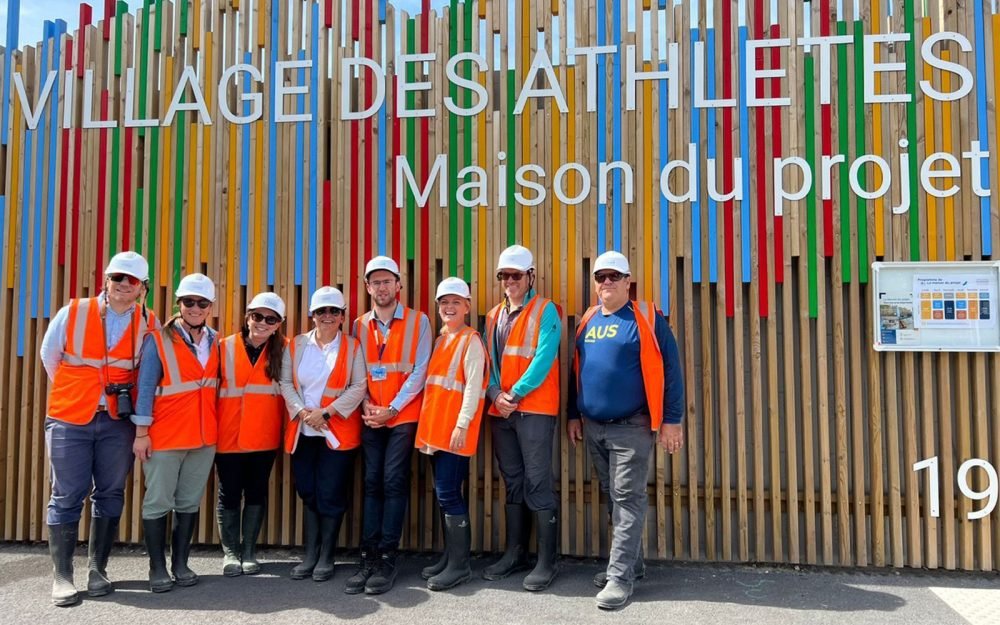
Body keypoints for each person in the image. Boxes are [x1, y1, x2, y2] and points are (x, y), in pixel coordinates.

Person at [566, 251, 685, 610]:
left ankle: (619, 578)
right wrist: (574, 413)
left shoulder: (646, 317)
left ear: (627, 282)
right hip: (594, 427)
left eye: (613, 277)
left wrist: (672, 420)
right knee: (614, 498)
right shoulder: (588, 319)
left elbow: (672, 370)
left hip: (632, 428)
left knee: (627, 500)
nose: (606, 282)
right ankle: (632, 564)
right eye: (600, 276)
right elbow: (577, 370)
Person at [39, 251, 159, 606]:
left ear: (143, 288)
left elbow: (148, 374)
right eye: (118, 277)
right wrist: (80, 391)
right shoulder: (73, 311)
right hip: (69, 418)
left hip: (116, 422)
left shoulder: (148, 322)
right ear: (106, 279)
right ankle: (62, 576)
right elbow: (51, 356)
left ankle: (97, 569)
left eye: (132, 280)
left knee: (109, 492)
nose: (124, 284)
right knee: (67, 494)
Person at [346, 256, 431, 595]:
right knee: (371, 482)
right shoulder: (358, 325)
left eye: (387, 281)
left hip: (402, 415)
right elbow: (356, 371)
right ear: (368, 288)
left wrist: (392, 408)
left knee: (393, 480)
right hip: (369, 414)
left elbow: (420, 370)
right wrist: (367, 403)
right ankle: (367, 555)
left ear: (398, 285)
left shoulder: (419, 321)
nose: (381, 287)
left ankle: (387, 556)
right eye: (375, 282)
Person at [132, 274, 220, 592]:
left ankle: (180, 564)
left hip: (204, 437)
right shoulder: (157, 340)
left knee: (189, 503)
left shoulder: (216, 341)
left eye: (202, 303)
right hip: (166, 436)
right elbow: (144, 389)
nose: (195, 308)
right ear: (179, 304)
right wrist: (141, 433)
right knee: (158, 502)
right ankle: (157, 568)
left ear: (210, 307)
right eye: (189, 302)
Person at [482, 245, 561, 591]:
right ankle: (516, 554)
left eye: (516, 275)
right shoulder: (491, 316)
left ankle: (547, 562)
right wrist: (495, 394)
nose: (510, 281)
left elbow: (544, 357)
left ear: (530, 276)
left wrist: (515, 393)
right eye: (504, 276)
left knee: (537, 482)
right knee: (512, 480)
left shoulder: (547, 310)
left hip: (534, 409)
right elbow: (489, 362)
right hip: (502, 411)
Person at [281, 287, 367, 582]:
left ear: (343, 316)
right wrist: (304, 413)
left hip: (337, 433)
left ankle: (326, 556)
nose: (327, 316)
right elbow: (285, 383)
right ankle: (310, 554)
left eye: (334, 311)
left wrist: (326, 413)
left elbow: (359, 387)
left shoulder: (353, 347)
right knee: (308, 491)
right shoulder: (296, 345)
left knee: (330, 494)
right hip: (303, 431)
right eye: (321, 311)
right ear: (312, 316)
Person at [415, 277, 488, 592]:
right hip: (436, 430)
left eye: (455, 302)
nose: (449, 307)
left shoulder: (470, 340)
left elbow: (473, 387)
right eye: (444, 302)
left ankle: (459, 566)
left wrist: (462, 423)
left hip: (455, 432)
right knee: (444, 495)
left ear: (467, 307)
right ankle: (450, 558)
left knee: (448, 493)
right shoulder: (442, 339)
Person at [215, 292, 288, 576]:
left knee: (256, 492)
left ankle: (248, 551)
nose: (262, 323)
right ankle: (230, 552)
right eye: (257, 316)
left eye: (270, 319)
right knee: (229, 494)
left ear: (278, 324)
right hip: (228, 434)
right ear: (247, 317)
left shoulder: (285, 349)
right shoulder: (223, 347)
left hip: (264, 436)